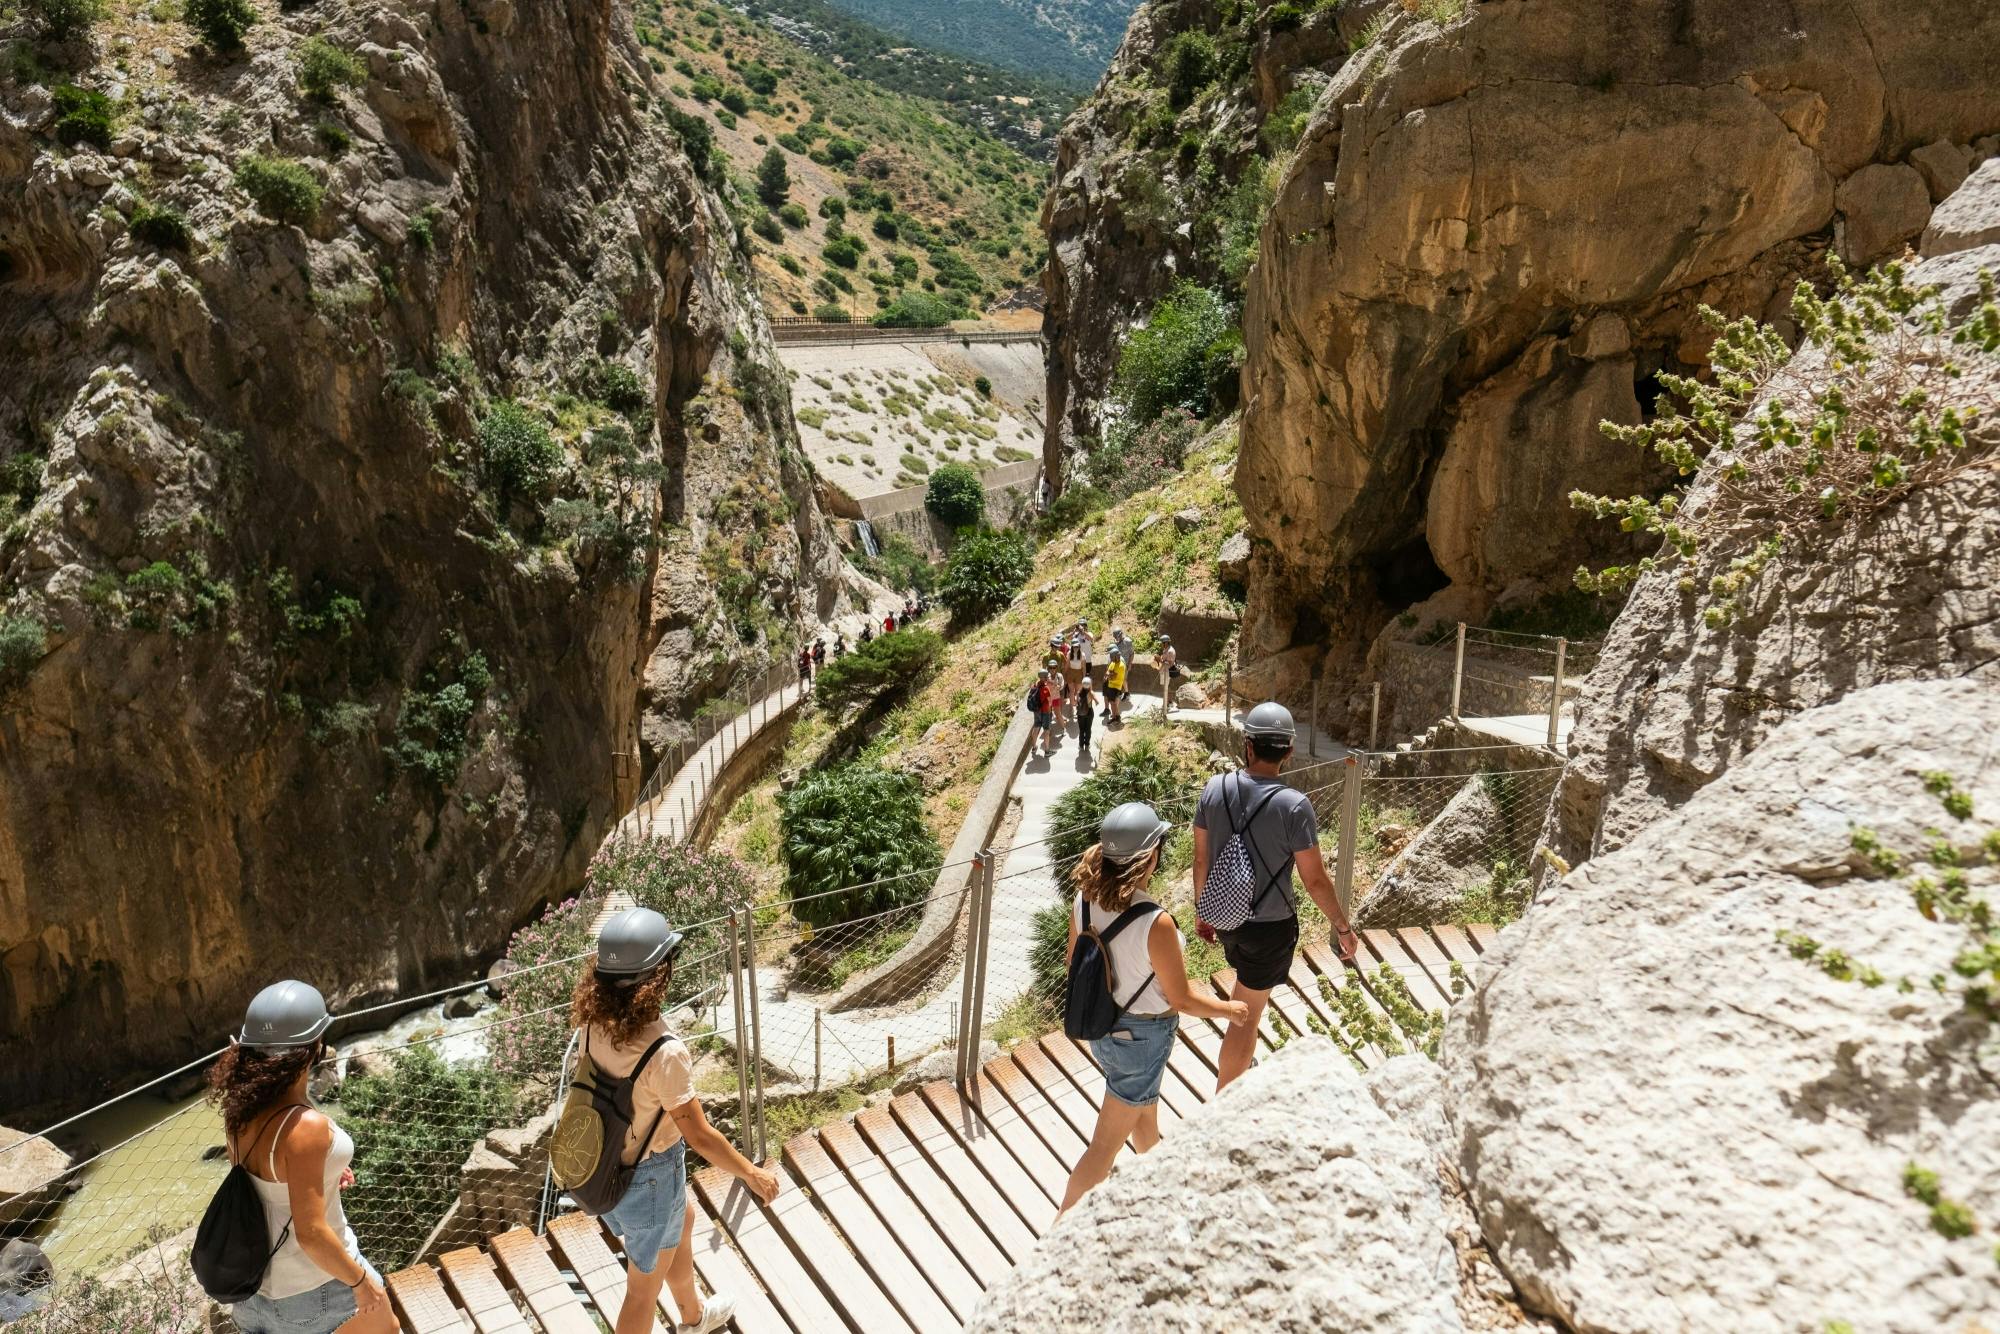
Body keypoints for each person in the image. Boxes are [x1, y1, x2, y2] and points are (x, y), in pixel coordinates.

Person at [575, 908, 779, 1334]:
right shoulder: (664, 1052)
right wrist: (752, 1173)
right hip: (649, 1177)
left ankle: (693, 1317)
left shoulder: (593, 1022)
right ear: (656, 977)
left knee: (681, 1221)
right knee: (640, 1292)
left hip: (608, 1165)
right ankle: (690, 1317)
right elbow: (700, 1137)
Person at [1059, 804, 1249, 1214]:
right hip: (1142, 1042)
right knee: (1102, 1151)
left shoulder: (1085, 900)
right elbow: (1181, 999)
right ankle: (1056, 1236)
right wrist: (1228, 1009)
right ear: (1151, 856)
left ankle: (1167, 1204)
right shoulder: (1154, 922)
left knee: (1144, 1123)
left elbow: (1072, 962)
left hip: (1106, 1031)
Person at [207, 980, 395, 1334]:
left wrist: (324, 1173)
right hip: (315, 1288)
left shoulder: (240, 1113)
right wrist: (360, 1283)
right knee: (388, 1329)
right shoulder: (306, 1128)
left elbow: (263, 1182)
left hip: (252, 1292)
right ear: (314, 1050)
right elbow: (310, 1233)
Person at [1192, 702, 1359, 1093]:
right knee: (1247, 1015)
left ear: (1248, 745)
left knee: (1246, 989)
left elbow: (1202, 858)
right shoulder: (1293, 806)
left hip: (1224, 917)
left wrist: (1204, 911)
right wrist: (1343, 927)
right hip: (1268, 927)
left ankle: (1237, 1070)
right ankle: (1225, 1099)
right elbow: (1315, 880)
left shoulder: (1215, 789)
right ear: (1288, 751)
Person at [1026, 668, 1055, 757]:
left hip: (1036, 711)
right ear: (1045, 677)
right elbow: (1050, 702)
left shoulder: (1035, 686)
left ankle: (1034, 747)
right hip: (1045, 712)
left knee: (1036, 728)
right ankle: (1047, 751)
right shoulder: (1045, 688)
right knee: (1046, 730)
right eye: (1047, 676)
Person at [1103, 650, 1128, 725]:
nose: (1111, 658)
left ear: (1116, 656)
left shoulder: (1121, 665)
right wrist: (1109, 674)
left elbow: (1113, 677)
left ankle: (1117, 717)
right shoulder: (1113, 663)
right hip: (1110, 686)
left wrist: (1109, 675)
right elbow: (1108, 671)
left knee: (1114, 703)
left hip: (1116, 687)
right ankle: (1114, 717)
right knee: (1111, 703)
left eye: (1112, 657)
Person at [1075, 675, 1096, 756]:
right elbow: (1096, 701)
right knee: (1088, 729)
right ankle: (1087, 745)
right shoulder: (1091, 693)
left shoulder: (1078, 693)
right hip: (1089, 713)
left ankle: (1081, 745)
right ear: (1090, 684)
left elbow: (1076, 703)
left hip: (1080, 714)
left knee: (1081, 730)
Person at [1158, 634, 1179, 716]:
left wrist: (1161, 661)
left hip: (1167, 671)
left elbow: (1170, 663)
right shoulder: (1166, 649)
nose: (1161, 644)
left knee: (1165, 687)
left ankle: (1167, 704)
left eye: (1162, 642)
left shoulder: (1170, 651)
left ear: (1165, 643)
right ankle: (1168, 702)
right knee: (1164, 686)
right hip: (1163, 671)